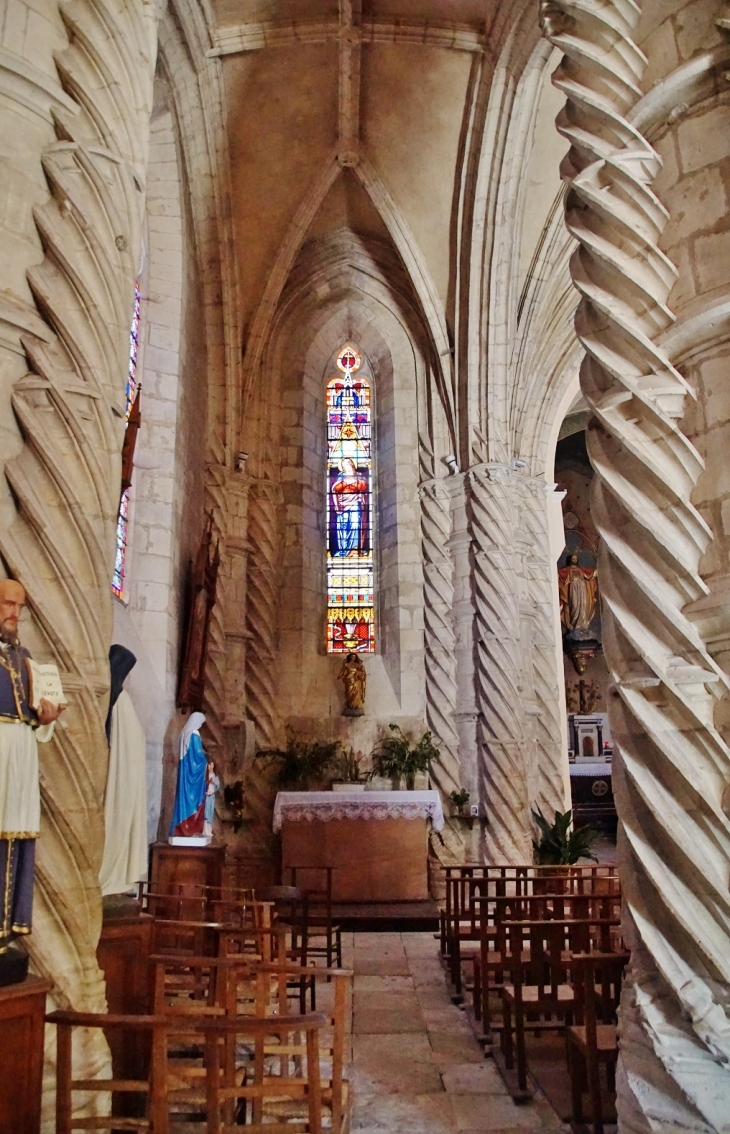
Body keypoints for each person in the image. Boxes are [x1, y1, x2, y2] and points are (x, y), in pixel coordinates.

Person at [0, 579, 65, 950]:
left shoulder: (25, 659)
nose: (15, 613)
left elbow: (37, 715)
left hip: (22, 756)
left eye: (20, 607)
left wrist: (47, 719)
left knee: (17, 838)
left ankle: (8, 928)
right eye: (9, 604)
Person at [99, 645, 148, 896]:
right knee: (116, 819)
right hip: (121, 775)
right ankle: (113, 875)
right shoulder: (117, 698)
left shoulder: (116, 698)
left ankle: (116, 875)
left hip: (125, 773)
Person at [170, 712, 208, 839]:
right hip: (192, 773)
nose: (201, 726)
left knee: (182, 799)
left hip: (184, 771)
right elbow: (197, 755)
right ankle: (189, 828)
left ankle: (180, 828)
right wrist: (205, 760)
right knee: (191, 800)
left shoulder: (183, 733)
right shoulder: (194, 734)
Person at [331, 458, 369, 556]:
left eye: (349, 462)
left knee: (355, 524)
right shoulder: (341, 477)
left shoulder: (359, 476)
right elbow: (335, 489)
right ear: (343, 467)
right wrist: (336, 505)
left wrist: (353, 482)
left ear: (353, 464)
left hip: (356, 502)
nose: (348, 465)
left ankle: (355, 548)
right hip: (343, 504)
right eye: (345, 464)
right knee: (343, 526)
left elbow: (363, 487)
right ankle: (344, 550)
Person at [558, 553, 598, 633]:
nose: (574, 560)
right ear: (570, 560)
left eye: (576, 559)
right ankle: (574, 624)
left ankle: (582, 625)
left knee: (583, 605)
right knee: (575, 605)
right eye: (573, 558)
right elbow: (560, 573)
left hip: (582, 589)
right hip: (573, 588)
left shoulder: (581, 570)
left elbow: (589, 574)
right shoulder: (568, 569)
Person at [338, 652, 366, 716]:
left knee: (356, 694)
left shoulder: (358, 664)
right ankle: (349, 704)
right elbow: (342, 671)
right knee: (348, 694)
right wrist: (339, 676)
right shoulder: (346, 664)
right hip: (348, 680)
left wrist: (359, 673)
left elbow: (362, 672)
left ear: (356, 657)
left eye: (354, 657)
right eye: (352, 656)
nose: (353, 658)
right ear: (350, 657)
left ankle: (355, 706)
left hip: (356, 681)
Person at [203, 760, 219, 839]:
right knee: (205, 813)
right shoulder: (206, 776)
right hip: (206, 796)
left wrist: (214, 783)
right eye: (209, 765)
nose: (210, 766)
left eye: (211, 765)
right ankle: (204, 830)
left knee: (210, 813)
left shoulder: (215, 776)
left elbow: (217, 786)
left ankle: (209, 830)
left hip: (211, 797)